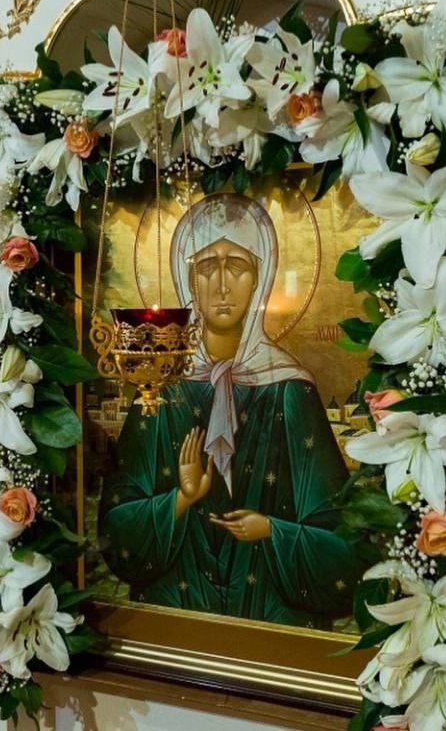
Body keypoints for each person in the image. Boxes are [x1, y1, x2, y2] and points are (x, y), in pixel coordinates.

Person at [100, 194, 362, 630]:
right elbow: (115, 529)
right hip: (172, 620)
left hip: (275, 624)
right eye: (207, 267)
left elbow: (343, 543)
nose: (222, 285)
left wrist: (273, 530)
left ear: (261, 278)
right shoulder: (161, 385)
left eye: (237, 266)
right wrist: (180, 500)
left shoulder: (290, 389)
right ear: (188, 281)